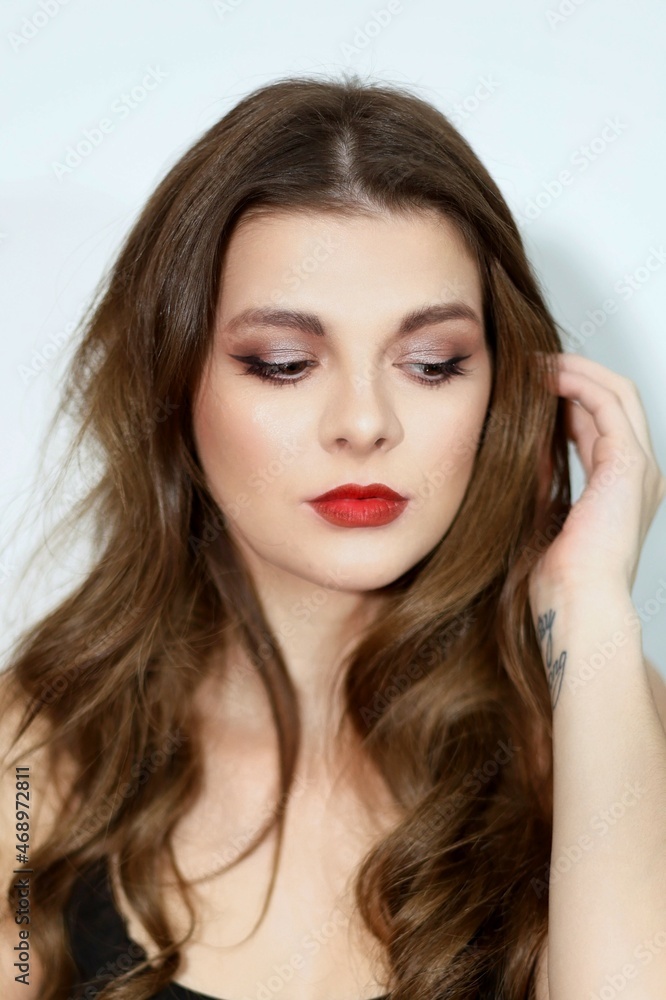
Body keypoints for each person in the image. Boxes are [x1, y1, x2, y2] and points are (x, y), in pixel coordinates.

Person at [1, 71, 665, 1000]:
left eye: (432, 364)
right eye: (284, 363)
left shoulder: (602, 722)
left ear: (504, 388)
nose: (363, 423)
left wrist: (589, 605)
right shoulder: (34, 754)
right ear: (173, 383)